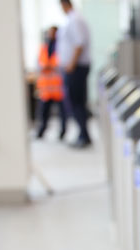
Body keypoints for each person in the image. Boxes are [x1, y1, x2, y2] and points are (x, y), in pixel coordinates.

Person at [58, 0, 92, 148]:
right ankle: (82, 134)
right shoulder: (73, 19)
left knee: (76, 102)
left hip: (76, 67)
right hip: (74, 67)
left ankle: (84, 135)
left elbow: (79, 44)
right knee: (76, 102)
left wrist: (71, 64)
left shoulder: (75, 19)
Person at [36, 26, 66, 140]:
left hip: (58, 87)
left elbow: (63, 64)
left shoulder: (61, 48)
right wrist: (44, 67)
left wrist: (52, 66)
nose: (51, 35)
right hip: (46, 89)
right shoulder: (43, 48)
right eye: (49, 33)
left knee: (62, 113)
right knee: (43, 112)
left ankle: (63, 133)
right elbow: (38, 63)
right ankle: (41, 131)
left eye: (53, 33)